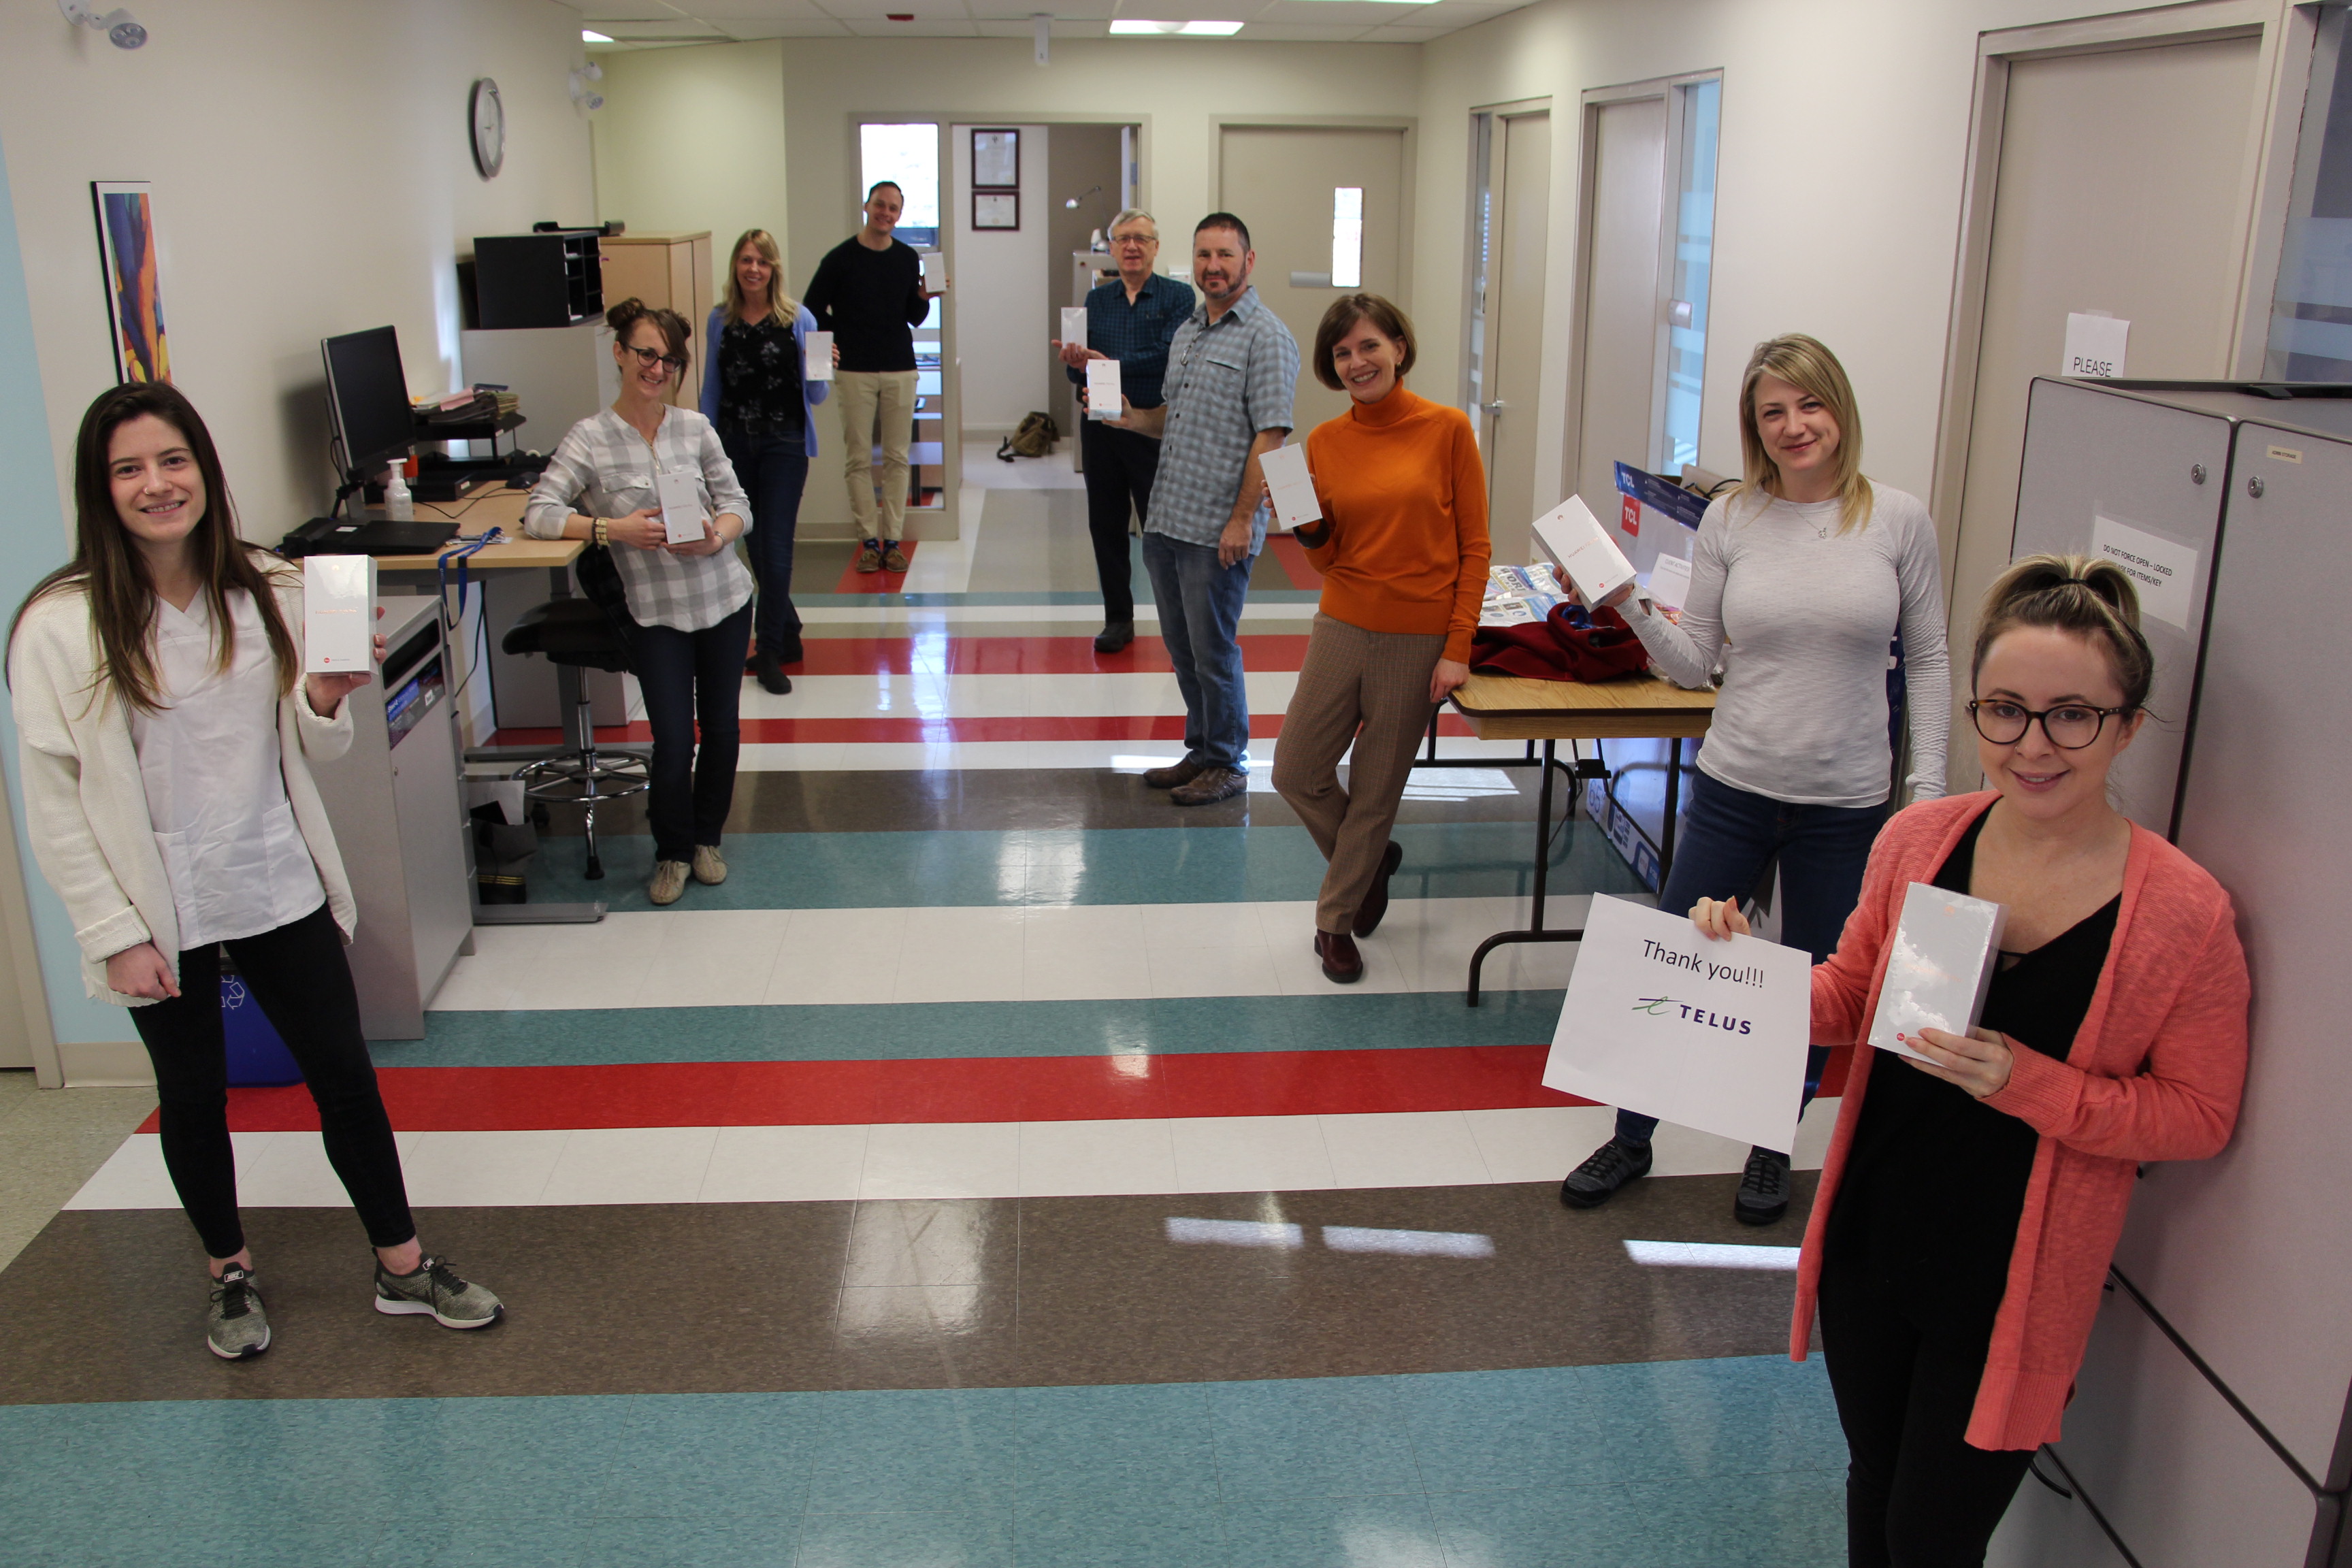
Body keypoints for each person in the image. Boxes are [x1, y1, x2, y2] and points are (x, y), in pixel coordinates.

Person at [1691, 554, 2249, 1567]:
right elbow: (1852, 999)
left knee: (1932, 1539)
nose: (2033, 746)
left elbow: (2199, 1113)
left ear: (2127, 725)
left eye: (2072, 715)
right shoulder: (1922, 839)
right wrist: (1740, 974)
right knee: (1873, 1490)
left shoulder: (2181, 911)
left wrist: (2027, 1082)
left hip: (2008, 1282)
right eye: (2005, 711)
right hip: (1874, 1238)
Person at [7, 382, 504, 1361]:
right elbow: (56, 803)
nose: (157, 485)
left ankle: (402, 1265)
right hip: (157, 905)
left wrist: (325, 695)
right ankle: (228, 1270)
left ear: (205, 469)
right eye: (129, 469)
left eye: (173, 460)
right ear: (100, 490)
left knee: (345, 1077)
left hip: (272, 873)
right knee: (192, 1097)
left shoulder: (273, 586)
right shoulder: (59, 627)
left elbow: (314, 745)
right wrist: (114, 933)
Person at [1560, 333, 1950, 1225]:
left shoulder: (1898, 520)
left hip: (1848, 804)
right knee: (1677, 956)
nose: (1793, 426)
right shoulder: (1733, 517)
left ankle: (1772, 1141)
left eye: (1808, 405)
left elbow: (1928, 662)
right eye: (1772, 412)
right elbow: (1695, 666)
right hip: (1736, 787)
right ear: (1754, 428)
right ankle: (1631, 1133)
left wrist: (1925, 799)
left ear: (1839, 409)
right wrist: (1628, 608)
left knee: (1812, 980)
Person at [1273, 295, 1488, 983]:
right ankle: (1369, 862)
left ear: (1399, 346)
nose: (1357, 362)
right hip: (1341, 621)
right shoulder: (1328, 444)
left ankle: (1334, 924)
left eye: (1369, 346)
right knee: (1295, 767)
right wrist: (1308, 529)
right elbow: (1331, 559)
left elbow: (1476, 547)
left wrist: (1458, 646)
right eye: (1342, 354)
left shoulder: (1448, 429)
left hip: (1418, 636)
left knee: (1374, 789)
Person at [526, 297, 754, 907]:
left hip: (724, 599)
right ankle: (672, 851)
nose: (658, 369)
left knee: (723, 729)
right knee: (675, 739)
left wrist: (718, 535)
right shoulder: (591, 439)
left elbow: (739, 504)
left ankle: (707, 840)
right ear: (621, 354)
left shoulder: (695, 428)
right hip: (656, 612)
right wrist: (612, 530)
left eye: (670, 360)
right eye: (647, 354)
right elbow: (540, 513)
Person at [1105, 212, 1299, 806]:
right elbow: (1175, 415)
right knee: (1182, 646)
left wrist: (1242, 519)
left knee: (1214, 648)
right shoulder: (1189, 331)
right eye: (1204, 255)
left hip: (1218, 527)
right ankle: (1202, 747)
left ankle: (1229, 761)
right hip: (1166, 517)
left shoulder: (1267, 337)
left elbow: (1271, 437)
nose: (1213, 266)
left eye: (1225, 255)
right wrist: (1132, 418)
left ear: (1248, 260)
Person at [1051, 208, 1196, 653]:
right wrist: (1078, 366)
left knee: (1163, 527)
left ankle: (1181, 619)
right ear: (1111, 248)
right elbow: (1081, 376)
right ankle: (1118, 618)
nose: (1131, 246)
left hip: (1152, 423)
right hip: (1102, 423)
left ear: (1155, 247)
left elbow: (1167, 355)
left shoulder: (1178, 297)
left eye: (1141, 238)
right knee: (1106, 524)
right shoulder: (1098, 301)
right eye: (1123, 239)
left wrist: (1104, 362)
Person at [701, 227, 830, 695]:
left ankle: (770, 649)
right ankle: (790, 631)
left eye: (763, 261)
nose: (754, 268)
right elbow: (712, 387)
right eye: (746, 260)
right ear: (736, 266)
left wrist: (822, 364)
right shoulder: (721, 320)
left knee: (774, 549)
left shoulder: (798, 318)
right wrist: (703, 445)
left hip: (784, 444)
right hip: (734, 446)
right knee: (752, 546)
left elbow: (816, 394)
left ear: (774, 269)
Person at [802, 180, 940, 574]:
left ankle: (892, 541)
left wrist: (925, 297)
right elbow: (811, 309)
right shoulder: (840, 258)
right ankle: (868, 541)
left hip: (900, 366)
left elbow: (913, 316)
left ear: (900, 214)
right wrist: (841, 332)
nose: (886, 213)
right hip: (854, 370)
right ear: (867, 206)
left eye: (893, 208)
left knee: (898, 457)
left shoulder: (907, 258)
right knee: (858, 459)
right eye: (880, 205)